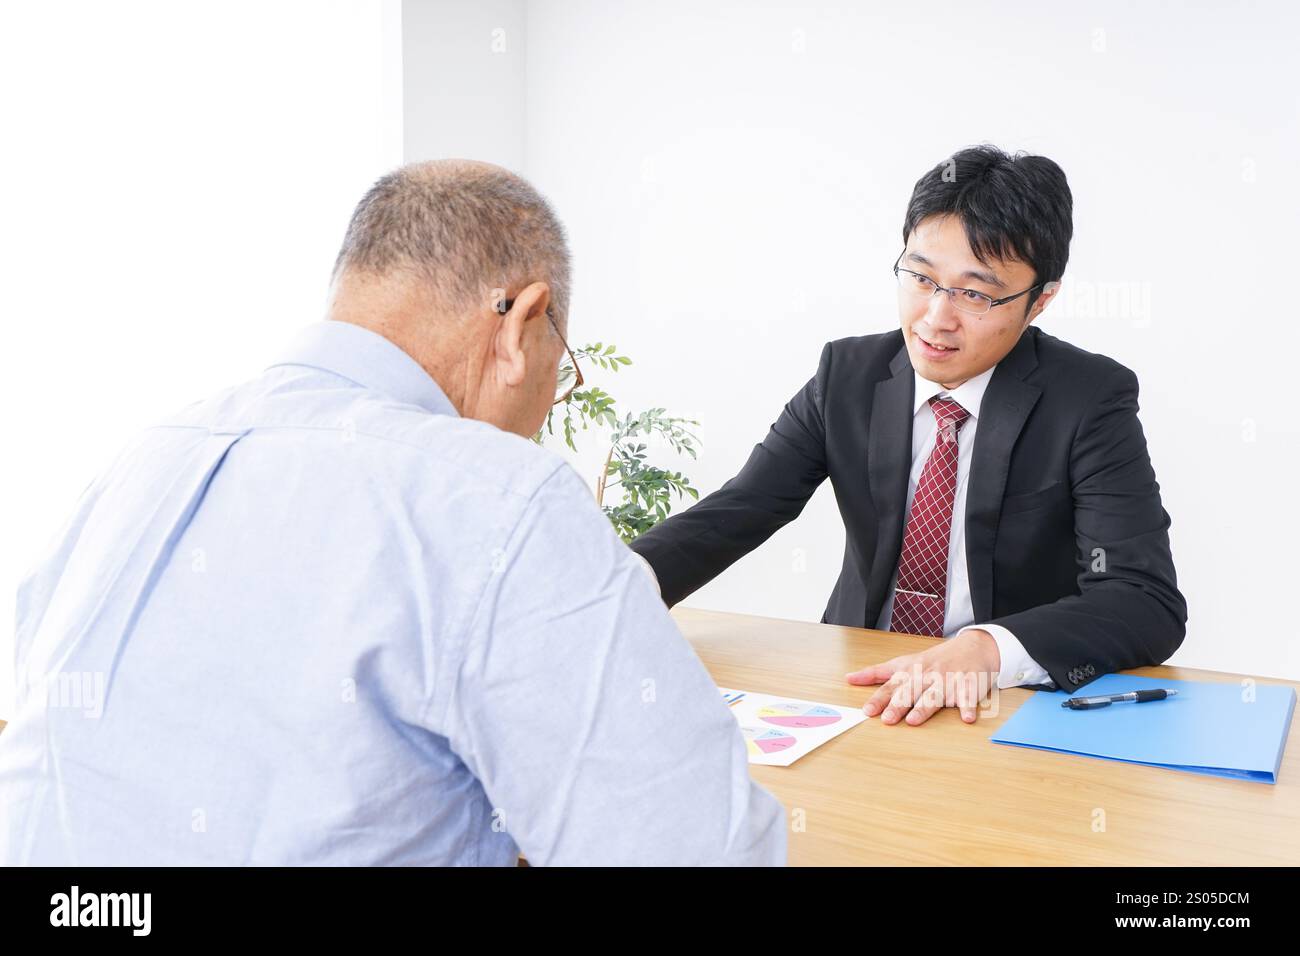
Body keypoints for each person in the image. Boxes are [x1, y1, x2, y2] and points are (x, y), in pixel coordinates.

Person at [0, 159, 785, 866]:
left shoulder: (140, 459)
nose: (549, 410)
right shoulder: (503, 498)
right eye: (563, 370)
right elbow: (701, 850)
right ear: (520, 323)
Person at [631, 146, 1186, 726]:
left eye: (975, 293)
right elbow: (740, 509)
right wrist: (625, 584)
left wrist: (987, 649)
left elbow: (1143, 599)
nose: (935, 318)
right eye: (921, 277)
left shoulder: (1089, 399)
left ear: (1039, 300)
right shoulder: (846, 375)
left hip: (1002, 705)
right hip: (859, 683)